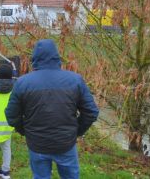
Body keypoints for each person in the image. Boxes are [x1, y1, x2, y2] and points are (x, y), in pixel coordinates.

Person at [5, 39, 99, 179]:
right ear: (57, 57)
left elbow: (11, 116)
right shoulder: (75, 80)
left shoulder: (22, 83)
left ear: (35, 59)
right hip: (66, 143)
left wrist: (25, 131)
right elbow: (91, 112)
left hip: (37, 144)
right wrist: (76, 132)